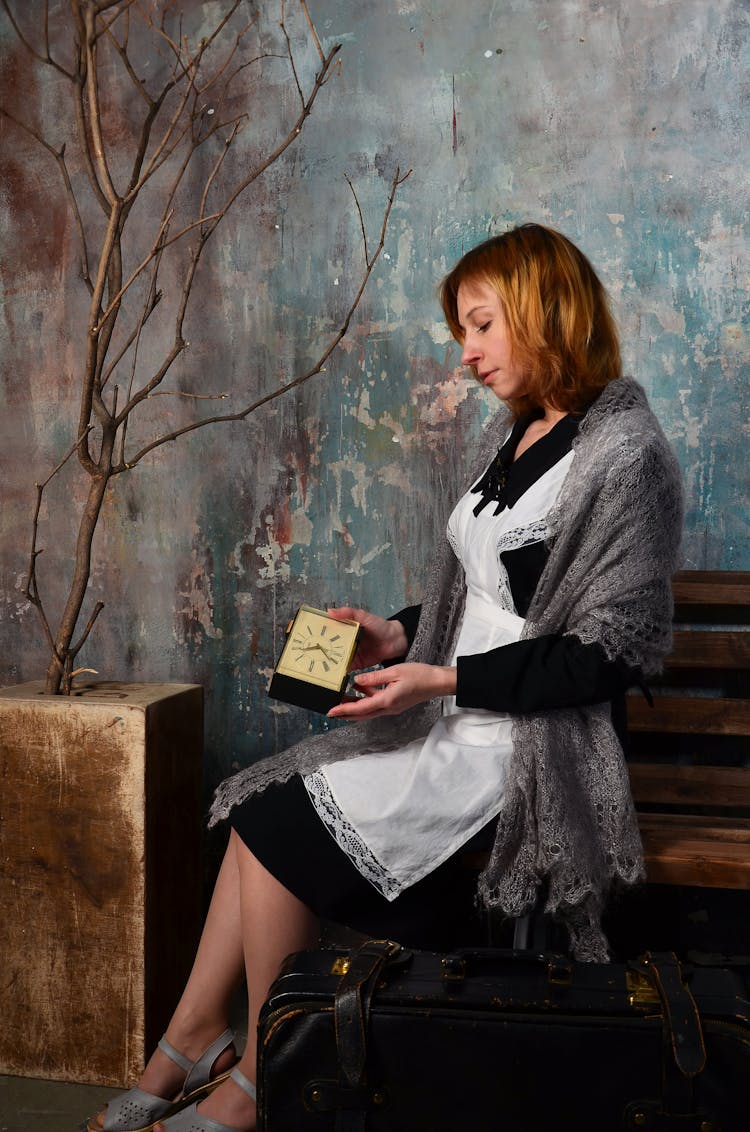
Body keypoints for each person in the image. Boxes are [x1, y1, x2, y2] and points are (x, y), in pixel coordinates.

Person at [87, 223, 683, 1132]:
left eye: (482, 325)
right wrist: (393, 634)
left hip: (534, 743)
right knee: (262, 810)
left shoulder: (627, 456)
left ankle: (264, 1078)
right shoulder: (519, 433)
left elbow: (602, 657)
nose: (468, 353)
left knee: (277, 825)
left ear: (543, 312)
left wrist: (436, 681)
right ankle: (198, 1037)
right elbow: (483, 591)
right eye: (462, 332)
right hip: (456, 708)